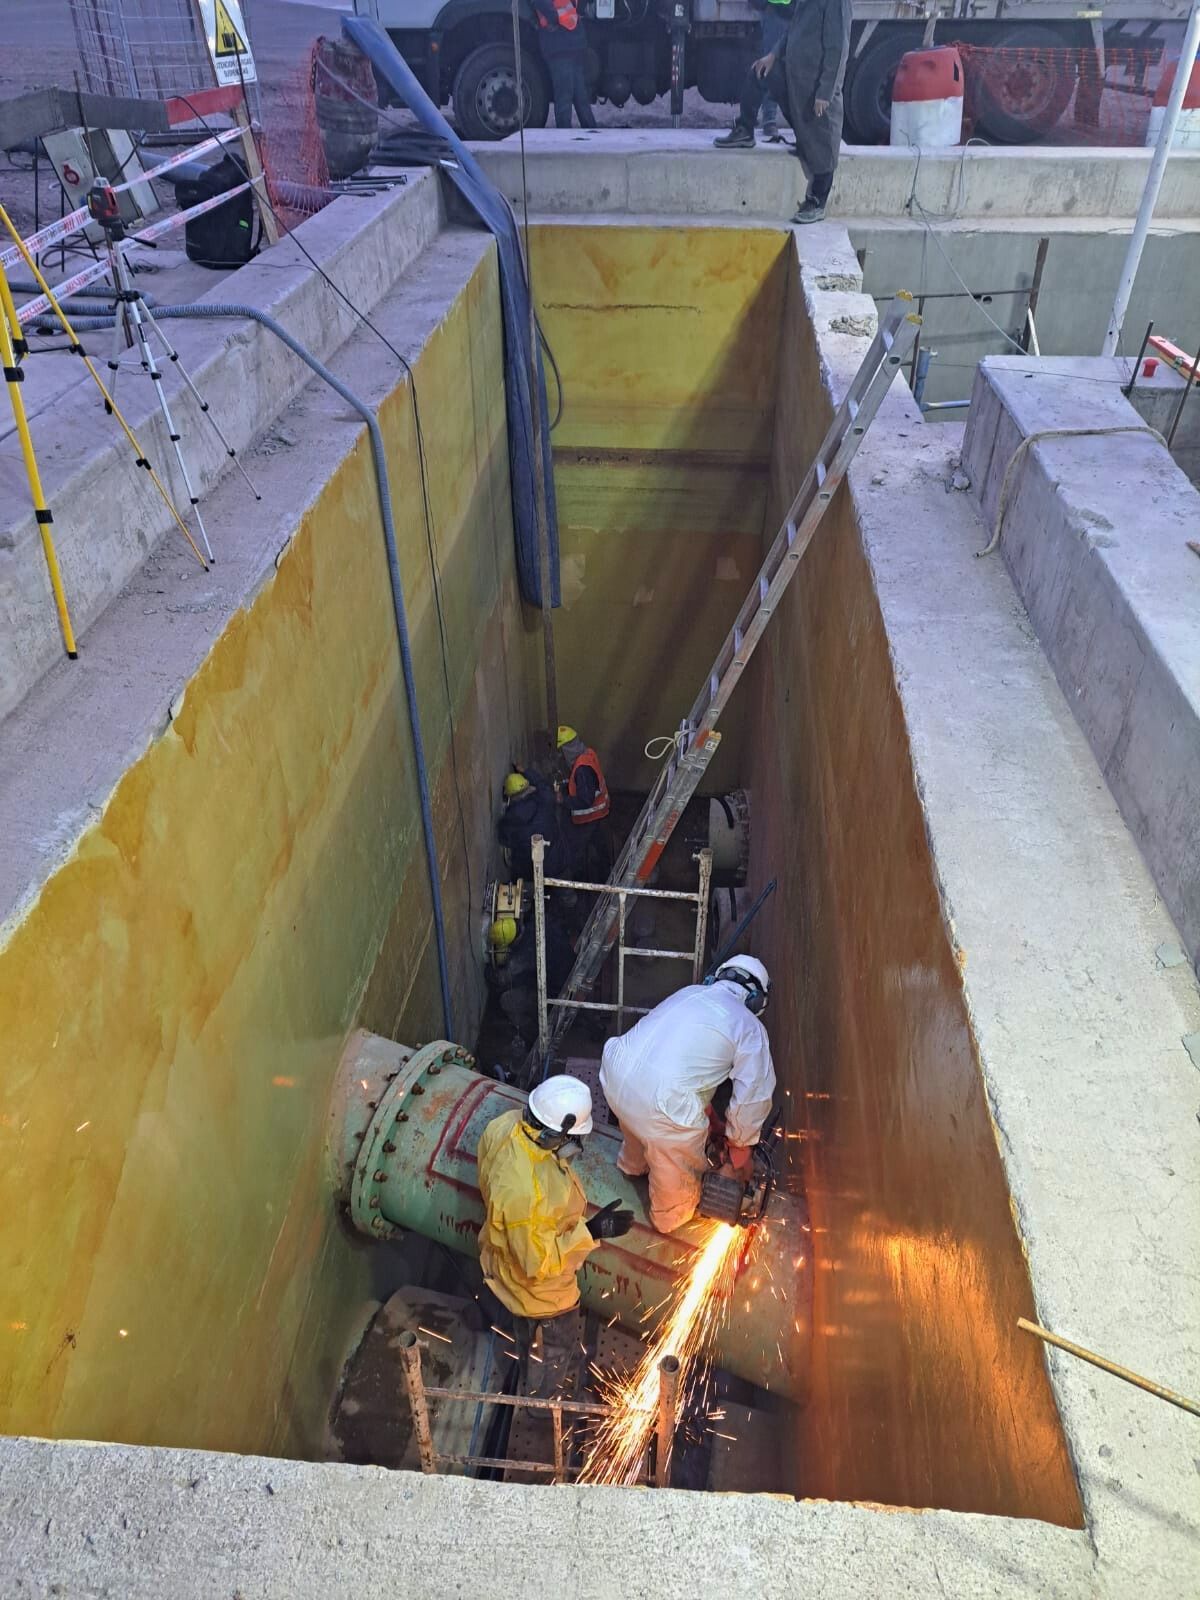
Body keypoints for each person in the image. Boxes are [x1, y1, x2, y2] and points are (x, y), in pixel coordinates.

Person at [477, 1076, 632, 1394]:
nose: (576, 1145)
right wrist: (589, 1232)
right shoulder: (523, 1192)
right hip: (540, 1298)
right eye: (573, 1138)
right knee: (551, 1356)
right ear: (552, 1134)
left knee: (534, 1343)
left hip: (507, 1257)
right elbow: (537, 1265)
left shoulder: (506, 1125)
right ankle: (543, 1406)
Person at [599, 957, 775, 1235]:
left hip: (616, 1076)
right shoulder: (749, 1027)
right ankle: (668, 1218)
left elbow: (682, 1069)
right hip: (659, 1105)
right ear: (755, 1001)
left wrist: (715, 1124)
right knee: (675, 1209)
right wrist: (738, 1154)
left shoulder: (689, 994)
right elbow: (753, 1099)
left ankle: (632, 1164)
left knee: (641, 1126)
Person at [713, 0, 851, 224]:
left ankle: (817, 201)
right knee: (760, 71)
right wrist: (773, 55)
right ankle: (744, 130)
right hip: (794, 78)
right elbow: (792, 29)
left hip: (815, 87)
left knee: (823, 145)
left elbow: (838, 49)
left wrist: (825, 92)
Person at [555, 725, 611, 881]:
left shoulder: (582, 770)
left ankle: (577, 881)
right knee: (600, 843)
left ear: (567, 749)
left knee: (575, 847)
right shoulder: (588, 754)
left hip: (588, 817)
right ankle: (606, 871)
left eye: (562, 751)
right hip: (600, 812)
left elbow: (585, 800)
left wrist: (562, 800)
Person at [532, 0, 597, 131]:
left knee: (578, 96)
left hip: (567, 42)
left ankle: (590, 133)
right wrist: (555, 19)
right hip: (561, 43)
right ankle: (567, 135)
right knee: (567, 97)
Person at [498, 768, 564, 882]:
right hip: (560, 856)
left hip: (538, 871)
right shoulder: (545, 798)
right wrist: (525, 771)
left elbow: (504, 838)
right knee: (566, 891)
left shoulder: (513, 820)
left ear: (511, 798)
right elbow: (542, 784)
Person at [753, 0, 794, 140]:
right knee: (770, 66)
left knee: (777, 66)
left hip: (791, 9)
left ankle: (771, 119)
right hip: (778, 9)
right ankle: (769, 118)